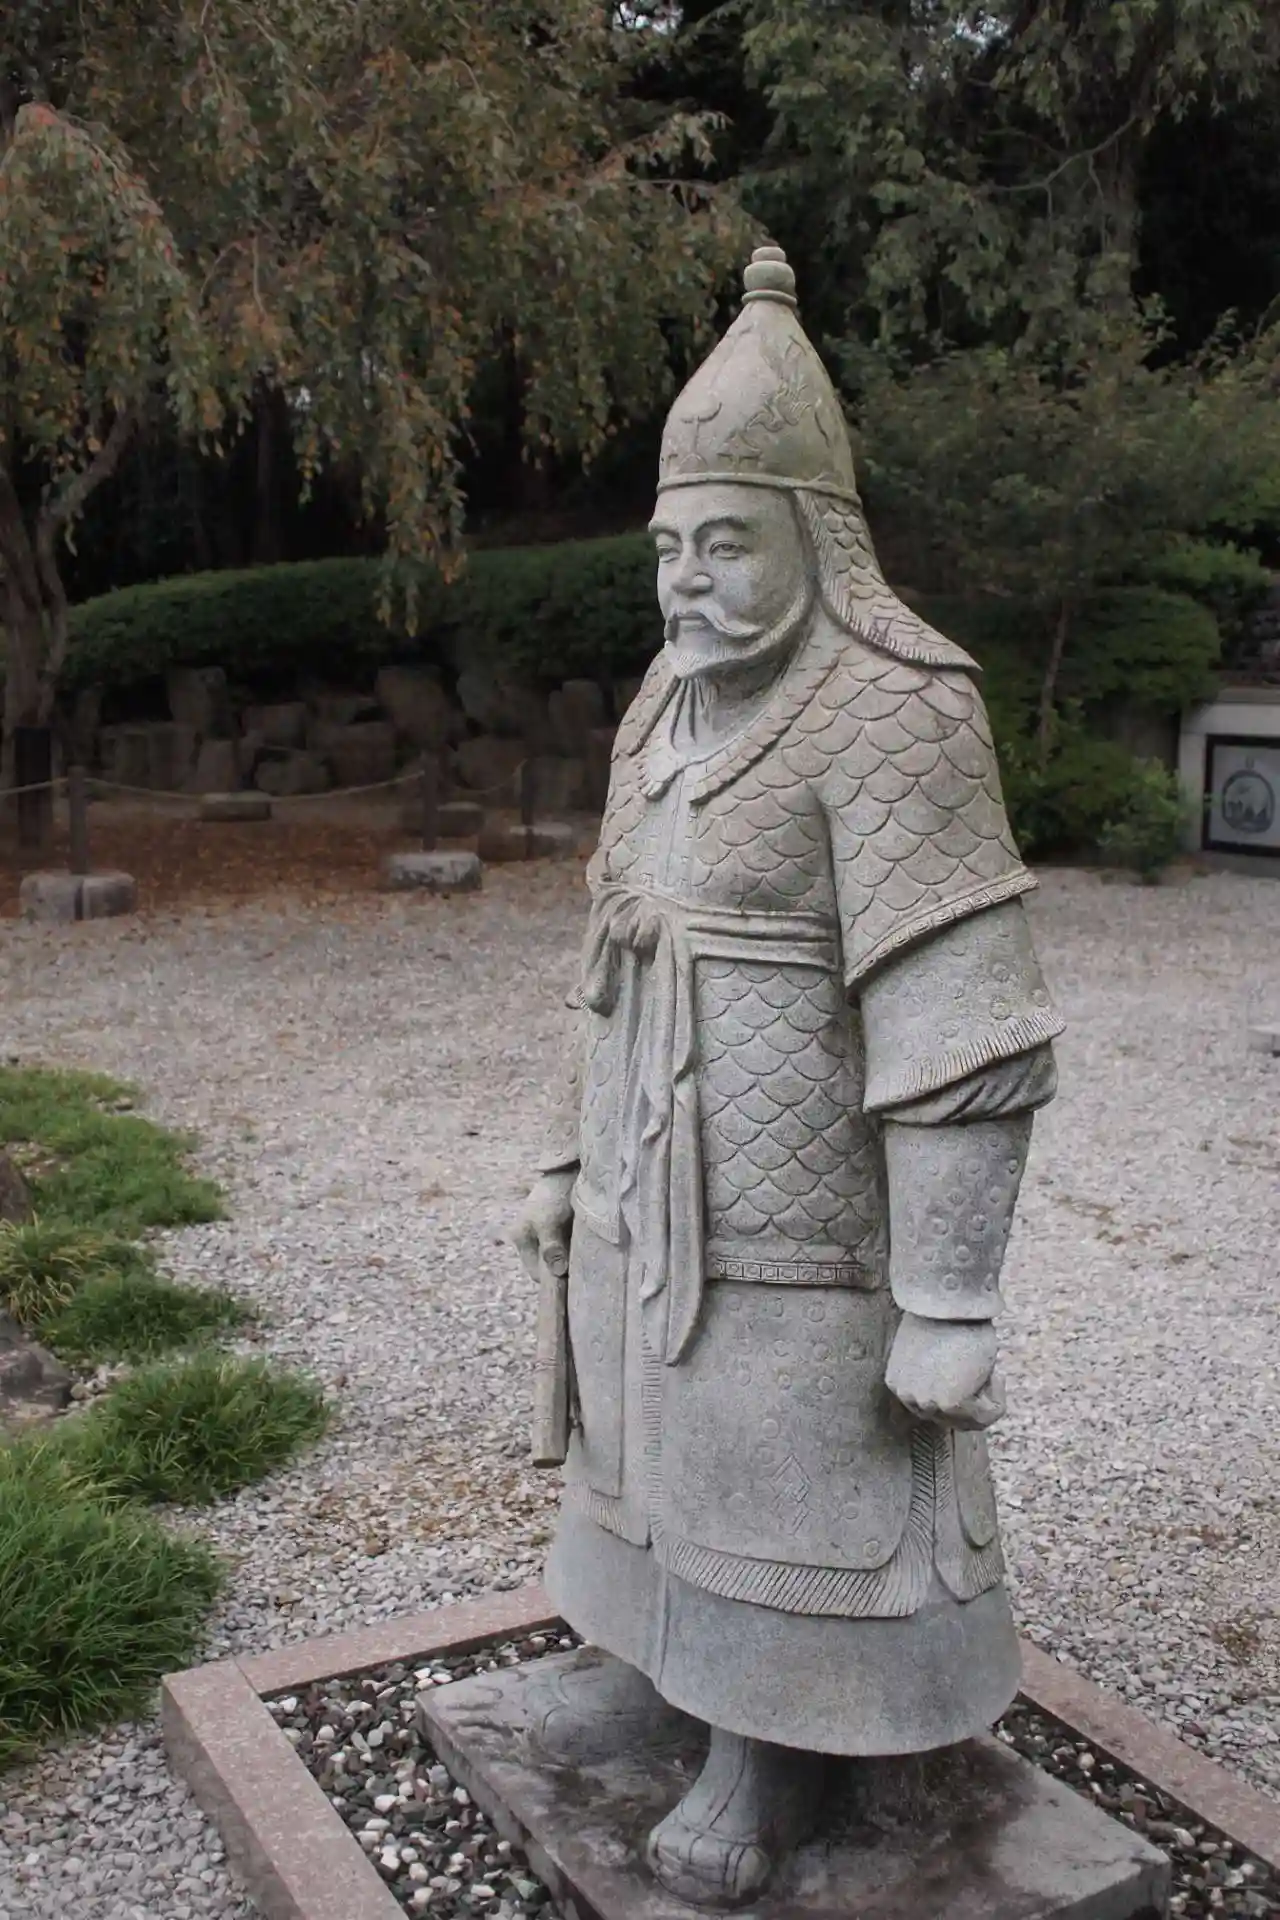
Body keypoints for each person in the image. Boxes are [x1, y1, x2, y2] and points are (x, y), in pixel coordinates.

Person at [513, 245, 1063, 1910]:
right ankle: (654, 1657)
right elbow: (604, 952)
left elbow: (964, 1019)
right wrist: (562, 1154)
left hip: (809, 1210)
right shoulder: (656, 712)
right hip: (647, 1173)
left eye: (727, 542)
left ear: (816, 541)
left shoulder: (898, 710)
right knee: (646, 1447)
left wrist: (948, 1296)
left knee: (794, 1460)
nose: (686, 581)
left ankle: (774, 1740)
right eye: (668, 547)